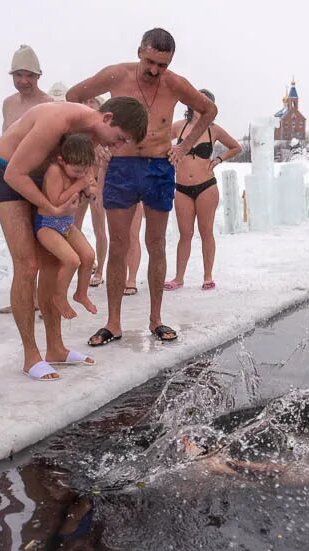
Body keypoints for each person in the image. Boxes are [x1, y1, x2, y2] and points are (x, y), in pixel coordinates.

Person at [66, 27, 217, 347]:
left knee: (156, 243)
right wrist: (95, 138)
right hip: (120, 167)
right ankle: (113, 323)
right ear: (139, 52)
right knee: (119, 243)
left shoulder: (175, 83)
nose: (154, 70)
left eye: (162, 65)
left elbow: (209, 110)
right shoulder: (115, 75)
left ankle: (156, 319)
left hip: (159, 167)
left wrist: (184, 144)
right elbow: (73, 97)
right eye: (150, 62)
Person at [0, 98, 146, 381]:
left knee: (53, 264)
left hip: (39, 179)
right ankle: (30, 355)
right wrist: (52, 208)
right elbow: (15, 173)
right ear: (107, 118)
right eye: (119, 138)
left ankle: (55, 348)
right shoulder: (58, 120)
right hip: (6, 172)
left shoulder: (90, 136)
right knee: (27, 265)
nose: (117, 147)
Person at [165, 89, 241, 291]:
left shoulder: (213, 129)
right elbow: (159, 138)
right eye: (199, 101)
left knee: (206, 231)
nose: (202, 105)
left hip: (206, 186)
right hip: (181, 187)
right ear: (191, 103)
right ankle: (178, 277)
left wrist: (218, 159)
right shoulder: (179, 127)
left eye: (207, 102)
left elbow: (236, 147)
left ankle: (208, 276)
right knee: (185, 234)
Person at [0, 45, 53, 315]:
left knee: (41, 240)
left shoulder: (48, 104)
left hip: (37, 178)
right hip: (10, 178)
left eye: (29, 75)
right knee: (19, 243)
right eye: (18, 75)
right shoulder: (8, 103)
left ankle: (41, 299)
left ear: (38, 76)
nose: (23, 81)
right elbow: (4, 140)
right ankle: (24, 296)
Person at [36, 133, 98, 321]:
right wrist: (79, 184)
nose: (81, 174)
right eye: (76, 171)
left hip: (66, 224)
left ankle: (81, 293)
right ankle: (59, 296)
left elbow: (93, 188)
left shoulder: (83, 169)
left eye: (84, 171)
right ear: (62, 161)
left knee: (88, 256)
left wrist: (89, 189)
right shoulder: (55, 171)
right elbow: (55, 201)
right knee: (72, 260)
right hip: (46, 224)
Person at [72, 96, 109, 289]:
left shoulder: (105, 132)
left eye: (92, 102)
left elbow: (107, 162)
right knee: (72, 228)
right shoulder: (77, 131)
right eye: (85, 102)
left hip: (98, 185)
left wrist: (99, 188)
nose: (88, 105)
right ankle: (89, 261)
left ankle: (100, 269)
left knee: (99, 228)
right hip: (79, 185)